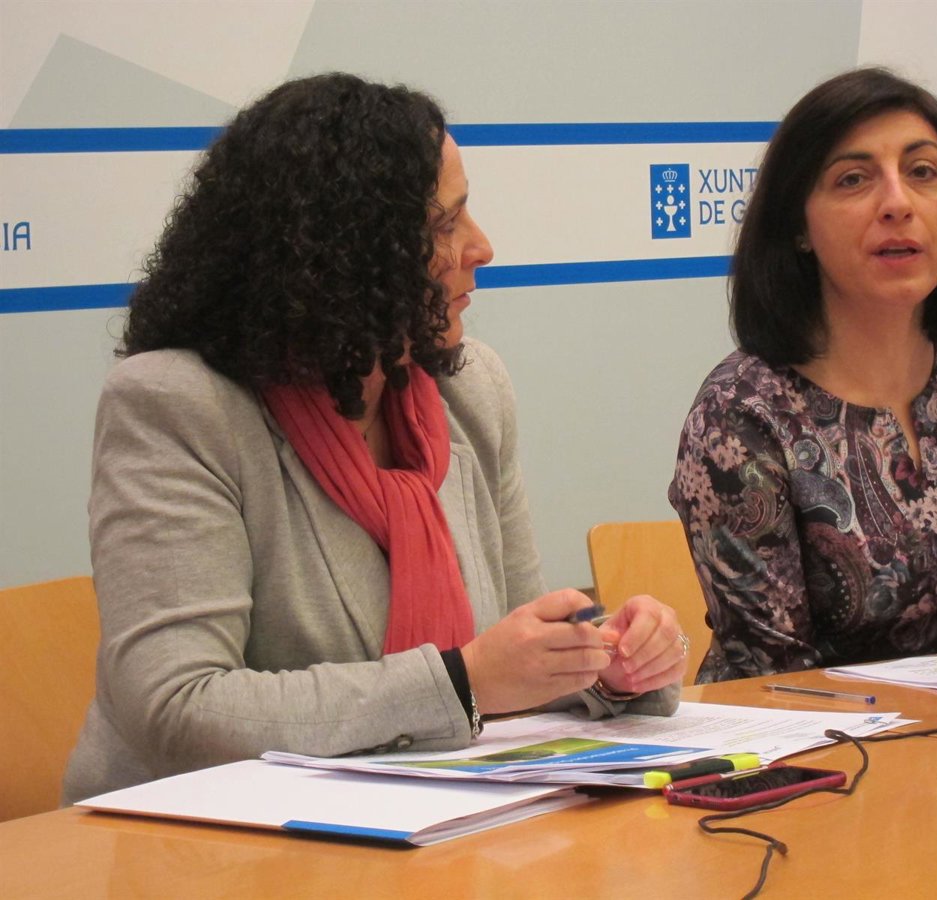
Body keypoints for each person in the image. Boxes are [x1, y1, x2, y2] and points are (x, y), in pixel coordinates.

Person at [63, 73, 683, 803]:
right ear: (345, 258)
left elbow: (518, 648)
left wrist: (611, 662)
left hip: (418, 817)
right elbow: (180, 708)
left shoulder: (471, 390)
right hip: (197, 835)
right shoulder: (177, 405)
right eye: (443, 225)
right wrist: (463, 681)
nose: (482, 247)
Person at [668, 67, 937, 683]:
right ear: (798, 226)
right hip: (799, 728)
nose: (898, 203)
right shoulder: (742, 413)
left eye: (922, 172)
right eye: (854, 179)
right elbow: (772, 676)